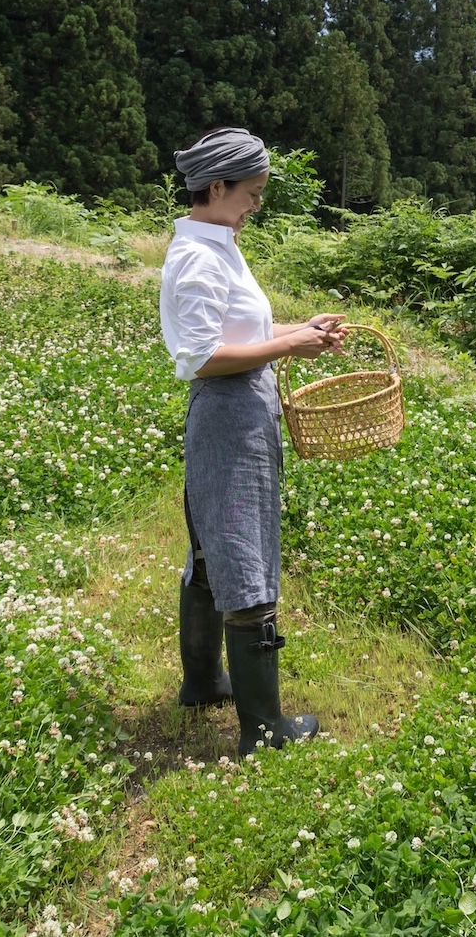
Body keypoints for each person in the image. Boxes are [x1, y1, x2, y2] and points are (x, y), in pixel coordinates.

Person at [158, 126, 346, 755]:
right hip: (228, 419)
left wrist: (298, 328)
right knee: (243, 559)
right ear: (217, 187)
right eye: (253, 193)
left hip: (240, 411)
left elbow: (239, 328)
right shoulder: (198, 259)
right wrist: (287, 345)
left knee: (213, 555)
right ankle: (264, 730)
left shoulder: (220, 245)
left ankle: (206, 682)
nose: (258, 205)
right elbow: (201, 357)